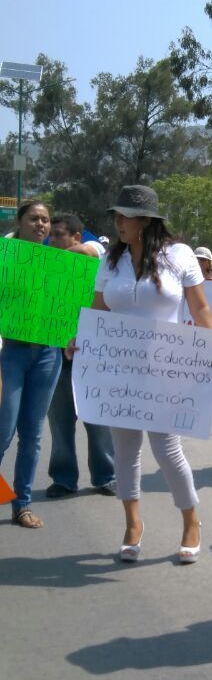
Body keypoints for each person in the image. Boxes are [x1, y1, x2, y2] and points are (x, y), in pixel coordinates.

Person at [90, 184, 212, 563]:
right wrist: (80, 340)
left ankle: (190, 521)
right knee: (125, 452)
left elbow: (201, 309)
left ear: (146, 220)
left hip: (163, 371)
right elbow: (98, 312)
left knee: (167, 449)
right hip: (119, 371)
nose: (118, 222)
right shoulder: (110, 260)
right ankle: (133, 524)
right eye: (116, 216)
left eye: (125, 216)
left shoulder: (179, 255)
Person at [0, 201, 62, 529]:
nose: (40, 224)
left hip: (48, 355)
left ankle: (21, 505)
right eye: (34, 218)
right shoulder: (5, 257)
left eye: (45, 220)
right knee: (3, 431)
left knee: (33, 435)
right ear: (20, 222)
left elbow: (93, 255)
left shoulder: (59, 263)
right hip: (11, 353)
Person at [45, 214, 116, 499]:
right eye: (51, 236)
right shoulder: (46, 268)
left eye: (59, 235)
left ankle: (106, 476)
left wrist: (53, 254)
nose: (53, 241)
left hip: (92, 353)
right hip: (55, 354)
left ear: (77, 236)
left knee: (97, 420)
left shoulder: (95, 255)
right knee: (60, 423)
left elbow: (91, 250)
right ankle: (63, 478)